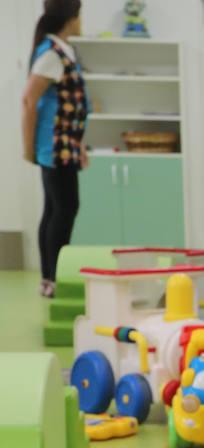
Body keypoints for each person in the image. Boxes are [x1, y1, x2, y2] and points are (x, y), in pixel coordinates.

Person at [21, 0, 86, 299]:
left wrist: (79, 144)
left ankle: (50, 278)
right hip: (54, 146)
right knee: (64, 208)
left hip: (65, 144)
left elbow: (67, 105)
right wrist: (28, 147)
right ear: (71, 18)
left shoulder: (61, 51)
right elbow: (29, 102)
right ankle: (53, 277)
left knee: (55, 209)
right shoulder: (51, 54)